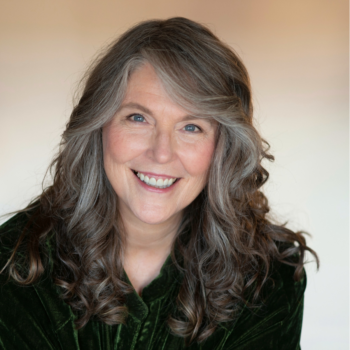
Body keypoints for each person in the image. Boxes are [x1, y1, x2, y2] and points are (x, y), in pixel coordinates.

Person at [0, 17, 318, 349]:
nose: (162, 153)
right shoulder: (14, 269)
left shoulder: (268, 278)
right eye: (138, 118)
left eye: (191, 127)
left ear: (222, 148)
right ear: (99, 126)